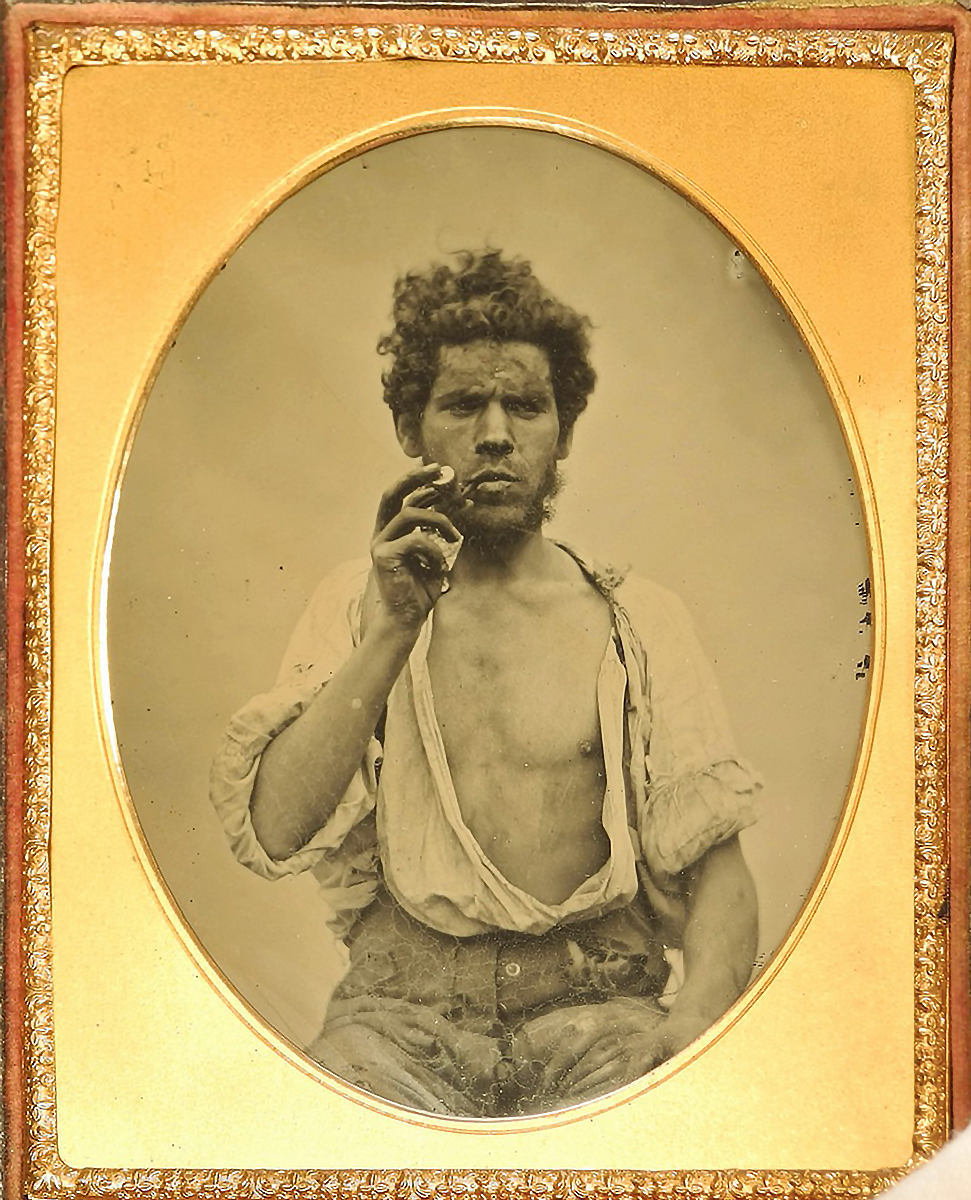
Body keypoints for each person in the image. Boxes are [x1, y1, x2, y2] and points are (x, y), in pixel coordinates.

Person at [210, 250, 763, 1118]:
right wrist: (393, 625)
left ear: (563, 432)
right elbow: (278, 830)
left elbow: (720, 880)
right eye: (464, 405)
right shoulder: (355, 608)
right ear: (411, 431)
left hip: (600, 1015)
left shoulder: (639, 620)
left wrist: (687, 1027)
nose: (496, 434)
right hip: (395, 1024)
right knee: (310, 1145)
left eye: (526, 406)